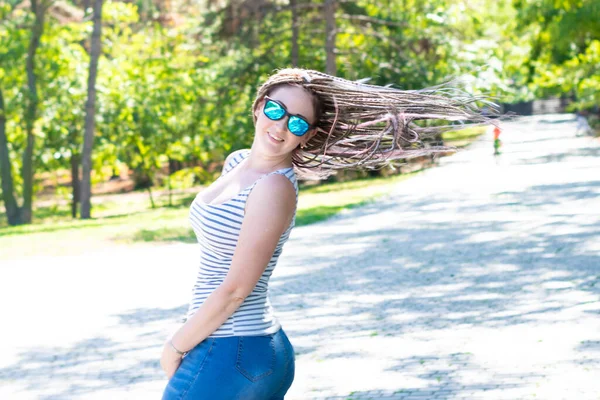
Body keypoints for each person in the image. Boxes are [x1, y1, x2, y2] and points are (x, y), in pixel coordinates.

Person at [160, 68, 493, 400]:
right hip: (232, 345)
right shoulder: (237, 162)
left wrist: (175, 346)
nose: (281, 126)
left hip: (235, 349)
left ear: (307, 134)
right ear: (260, 105)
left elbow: (236, 290)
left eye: (297, 123)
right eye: (276, 110)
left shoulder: (273, 187)